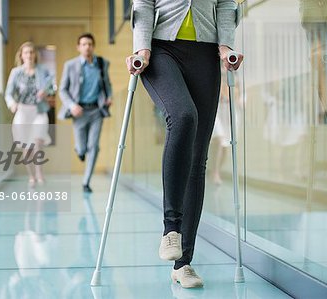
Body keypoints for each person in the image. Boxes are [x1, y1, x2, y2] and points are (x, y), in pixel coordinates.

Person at [126, 0, 244, 288]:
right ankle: (171, 228)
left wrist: (225, 45)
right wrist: (142, 48)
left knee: (198, 159)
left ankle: (184, 263)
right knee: (183, 116)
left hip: (205, 52)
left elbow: (226, 4)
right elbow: (143, 4)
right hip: (161, 48)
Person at [58, 33, 113, 193]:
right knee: (82, 148)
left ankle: (86, 182)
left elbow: (107, 84)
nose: (87, 47)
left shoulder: (102, 63)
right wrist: (72, 105)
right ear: (78, 47)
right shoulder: (70, 65)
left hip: (97, 110)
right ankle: (80, 151)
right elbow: (63, 89)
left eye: (90, 44)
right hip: (78, 112)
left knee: (93, 146)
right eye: (83, 44)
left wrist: (109, 97)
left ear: (93, 46)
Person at [5, 41, 54, 188]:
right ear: (21, 55)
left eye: (32, 52)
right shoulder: (16, 72)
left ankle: (39, 173)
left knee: (37, 141)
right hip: (22, 110)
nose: (29, 55)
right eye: (26, 52)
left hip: (38, 110)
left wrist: (47, 92)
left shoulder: (43, 71)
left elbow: (52, 89)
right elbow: (8, 93)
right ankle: (31, 175)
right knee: (26, 145)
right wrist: (12, 104)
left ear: (35, 55)